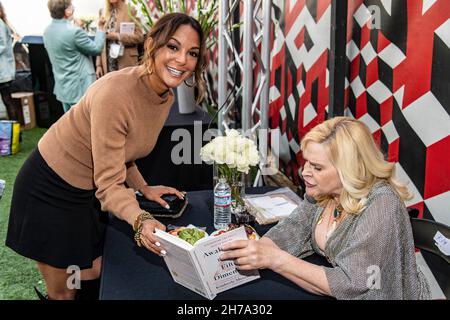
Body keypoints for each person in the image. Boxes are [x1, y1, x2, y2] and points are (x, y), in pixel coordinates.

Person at [6, 12, 207, 300]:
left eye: (192, 53)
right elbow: (110, 185)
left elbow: (124, 153)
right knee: (64, 292)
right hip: (49, 188)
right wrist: (141, 220)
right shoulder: (117, 93)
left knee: (91, 274)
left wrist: (143, 188)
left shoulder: (164, 95)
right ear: (152, 44)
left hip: (84, 190)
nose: (181, 60)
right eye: (172, 47)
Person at [220, 117, 431, 300]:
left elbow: (353, 283)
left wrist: (274, 259)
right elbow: (294, 228)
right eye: (307, 163)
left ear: (349, 170)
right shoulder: (323, 192)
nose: (305, 172)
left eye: (317, 167)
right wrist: (255, 249)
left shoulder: (382, 205)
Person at [43, 0, 106, 113]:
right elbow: (96, 48)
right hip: (80, 87)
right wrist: (101, 29)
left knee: (69, 126)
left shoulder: (47, 31)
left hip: (63, 87)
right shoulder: (74, 32)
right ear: (67, 11)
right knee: (84, 125)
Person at [95, 0, 144, 78]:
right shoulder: (103, 12)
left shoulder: (131, 10)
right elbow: (99, 41)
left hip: (125, 60)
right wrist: (99, 65)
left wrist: (118, 36)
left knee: (125, 89)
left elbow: (139, 37)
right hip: (107, 62)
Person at [0, 1, 17, 121]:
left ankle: (16, 133)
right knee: (7, 101)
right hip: (3, 71)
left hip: (3, 72)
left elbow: (2, 45)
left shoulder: (0, 24)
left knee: (8, 100)